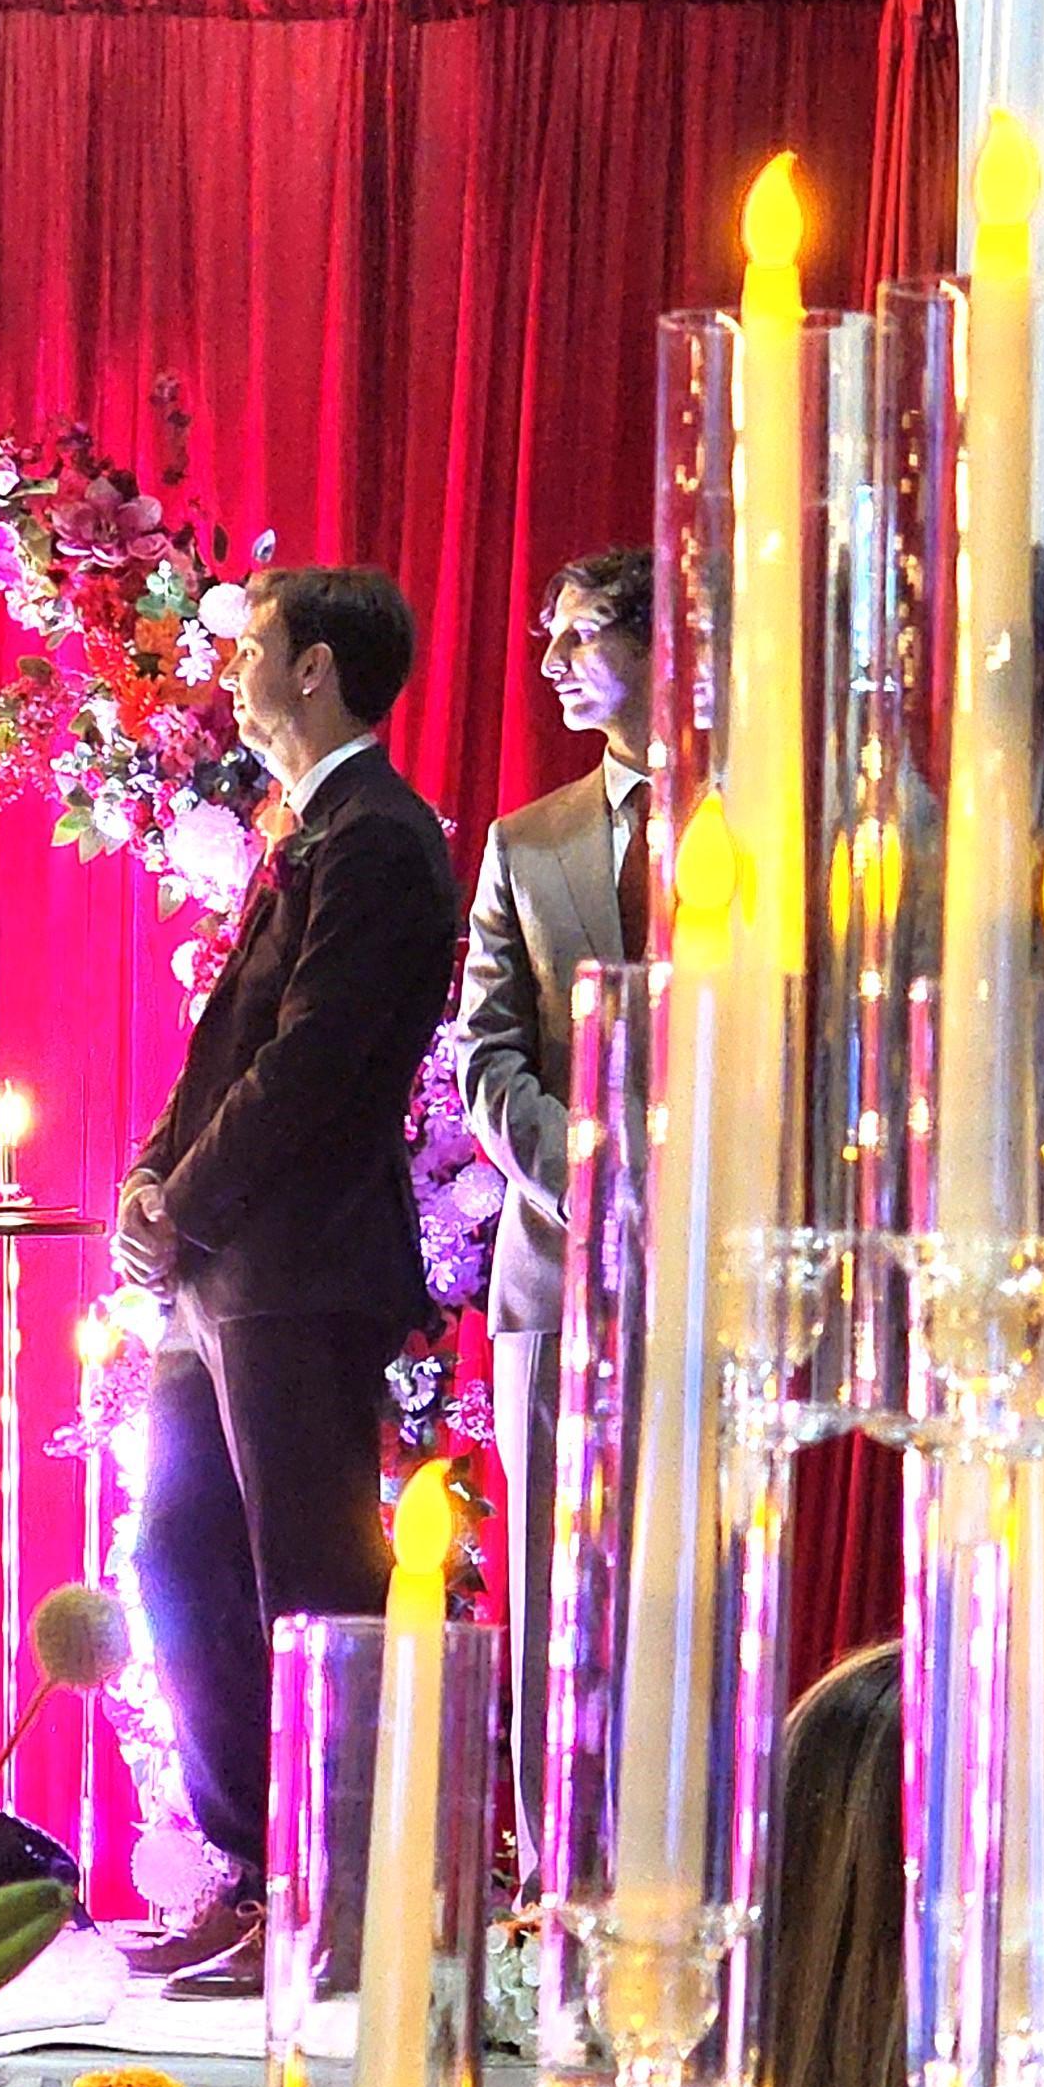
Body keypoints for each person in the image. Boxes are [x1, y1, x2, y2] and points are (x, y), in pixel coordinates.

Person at [116, 568, 461, 1965]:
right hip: (225, 1269)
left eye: (253, 646)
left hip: (297, 1268)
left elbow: (314, 1063)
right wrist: (150, 1179)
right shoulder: (314, 827)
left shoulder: (380, 837)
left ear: (315, 667)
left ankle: (341, 1898)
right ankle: (258, 1868)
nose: (234, 670)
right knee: (180, 1554)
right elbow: (229, 1045)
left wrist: (182, 1205)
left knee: (311, 1586)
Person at [456, 545, 652, 1883]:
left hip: (717, 1264)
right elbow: (486, 1049)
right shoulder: (526, 843)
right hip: (555, 1261)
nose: (551, 664)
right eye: (549, 636)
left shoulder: (777, 831)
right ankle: (553, 1888)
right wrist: (589, 1177)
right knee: (548, 1593)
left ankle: (693, 1884)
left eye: (580, 635)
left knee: (695, 1583)